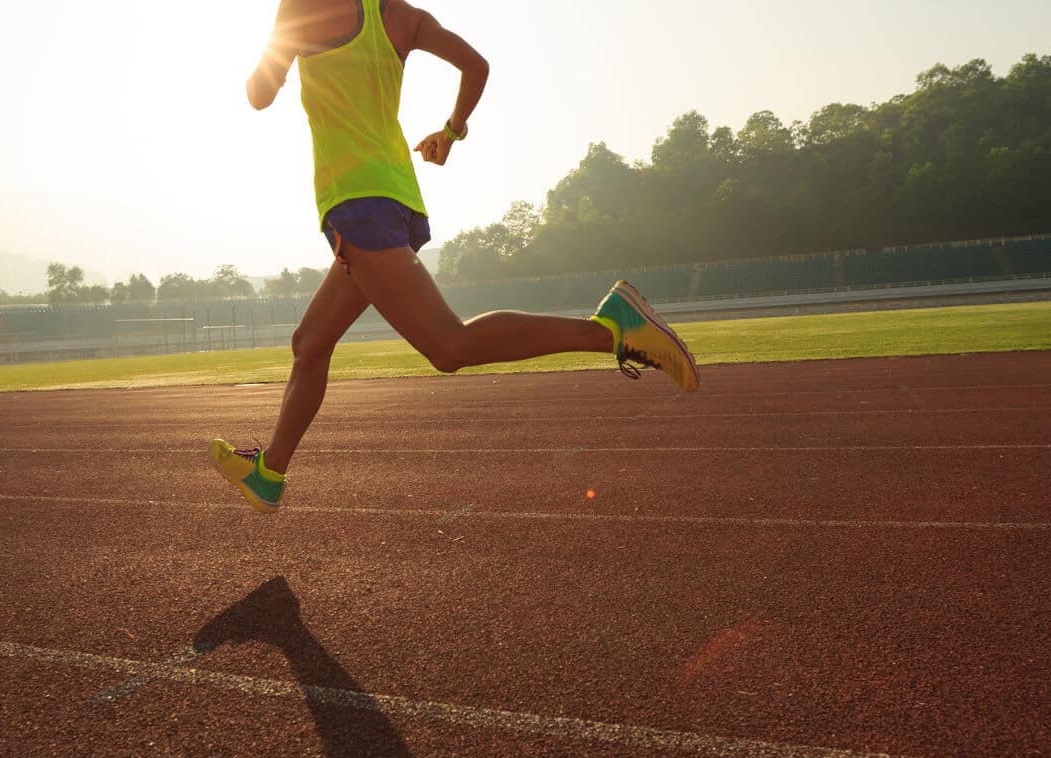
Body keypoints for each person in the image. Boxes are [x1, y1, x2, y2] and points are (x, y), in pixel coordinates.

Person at [210, 0, 699, 513]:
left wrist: (282, 40)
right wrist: (451, 131)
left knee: (448, 346)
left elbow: (259, 95)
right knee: (310, 343)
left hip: (359, 205)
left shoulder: (300, 9)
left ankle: (611, 329)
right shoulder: (398, 15)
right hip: (396, 199)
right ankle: (271, 474)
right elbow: (476, 66)